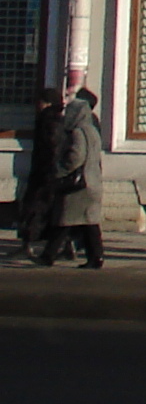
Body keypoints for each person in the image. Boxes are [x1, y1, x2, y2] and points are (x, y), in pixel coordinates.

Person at [36, 86, 104, 269]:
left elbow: (75, 157)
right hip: (93, 183)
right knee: (89, 223)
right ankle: (96, 257)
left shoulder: (78, 132)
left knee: (64, 220)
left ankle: (47, 256)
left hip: (79, 186)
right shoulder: (93, 131)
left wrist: (59, 170)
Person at [13, 89, 64, 262]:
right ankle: (60, 247)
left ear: (47, 103)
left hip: (45, 175)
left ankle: (29, 246)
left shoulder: (48, 121)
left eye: (41, 101)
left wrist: (48, 172)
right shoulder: (54, 120)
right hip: (47, 174)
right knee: (50, 213)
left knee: (35, 211)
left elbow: (52, 149)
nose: (38, 105)